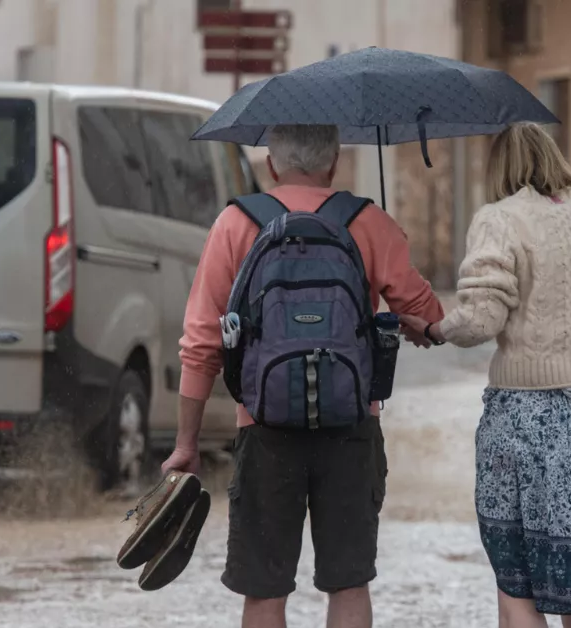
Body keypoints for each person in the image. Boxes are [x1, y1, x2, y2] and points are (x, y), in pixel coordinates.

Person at [162, 124, 444, 628]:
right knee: (348, 584)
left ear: (272, 164)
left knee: (264, 591)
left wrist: (186, 443)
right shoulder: (368, 220)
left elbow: (202, 341)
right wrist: (404, 310)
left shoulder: (235, 222)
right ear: (333, 162)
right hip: (352, 427)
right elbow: (429, 316)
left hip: (264, 428)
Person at [401, 122, 571, 628]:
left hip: (528, 417)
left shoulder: (499, 220)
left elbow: (481, 319)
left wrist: (434, 329)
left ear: (499, 168)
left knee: (516, 580)